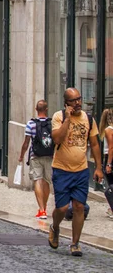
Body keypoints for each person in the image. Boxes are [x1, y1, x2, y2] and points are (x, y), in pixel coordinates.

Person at [48, 88, 103, 257]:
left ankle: (75, 243)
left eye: (79, 99)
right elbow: (57, 139)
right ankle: (55, 227)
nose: (78, 102)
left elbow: (94, 144)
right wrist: (68, 119)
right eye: (74, 100)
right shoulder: (59, 117)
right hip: (61, 170)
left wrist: (99, 168)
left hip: (81, 170)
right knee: (62, 208)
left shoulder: (89, 119)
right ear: (66, 103)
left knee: (79, 207)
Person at [18, 100, 53, 220]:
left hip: (35, 155)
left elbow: (26, 142)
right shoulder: (51, 123)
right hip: (49, 155)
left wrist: (21, 155)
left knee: (37, 180)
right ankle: (45, 207)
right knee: (47, 181)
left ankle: (41, 210)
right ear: (47, 109)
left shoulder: (31, 124)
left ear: (36, 109)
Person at [99, 107, 113, 218]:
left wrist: (109, 164)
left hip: (110, 158)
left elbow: (111, 147)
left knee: (111, 185)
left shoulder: (108, 130)